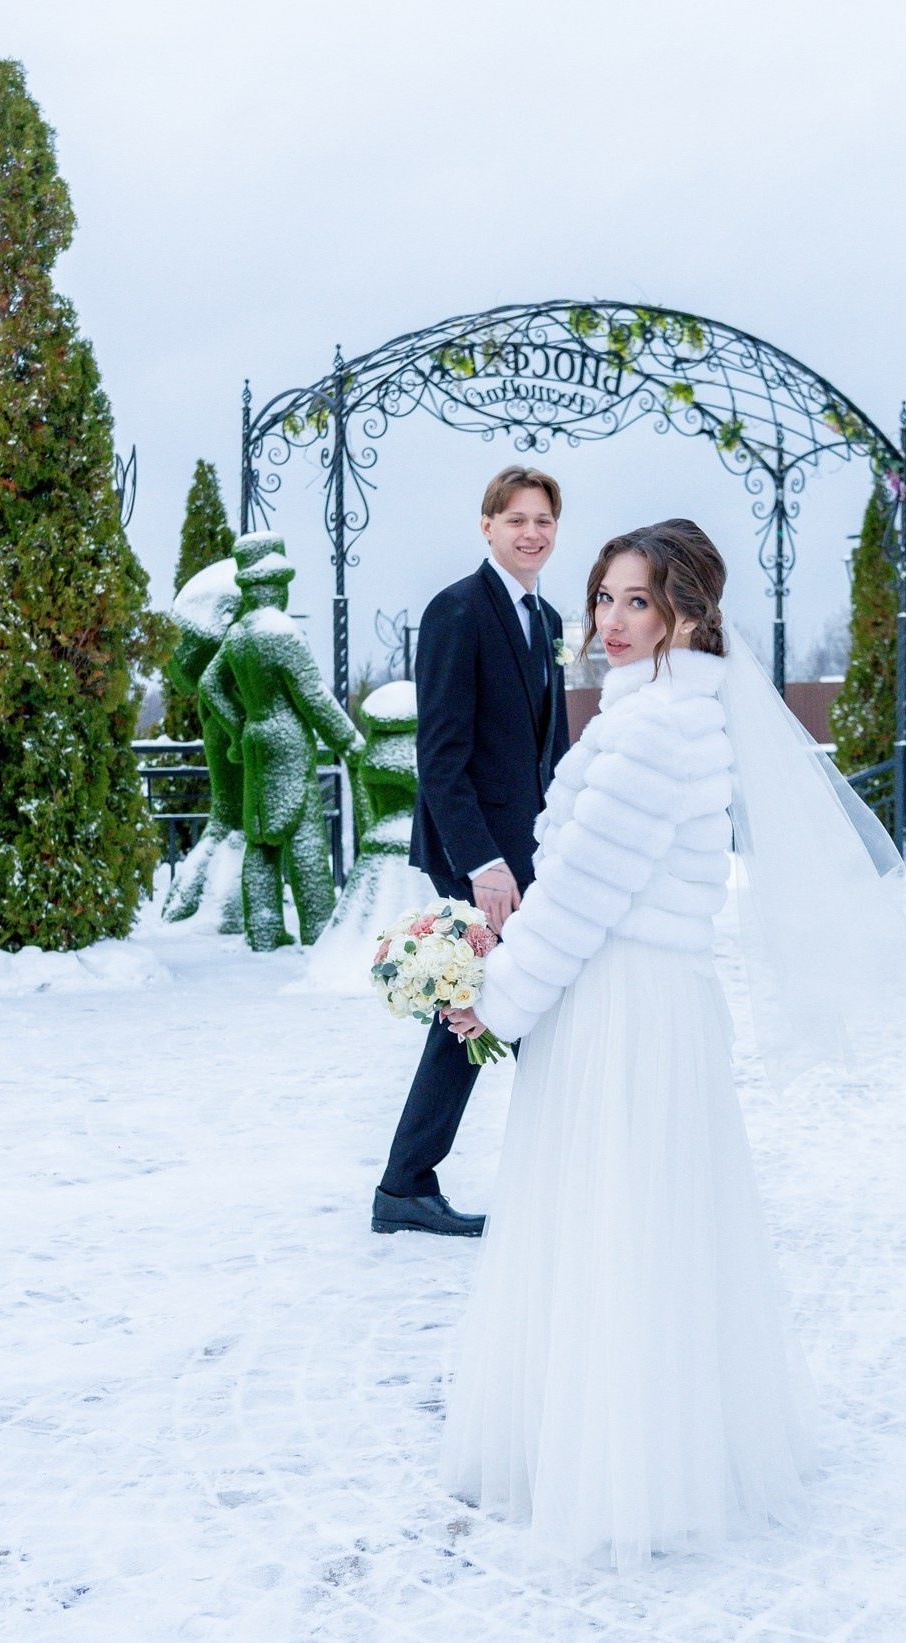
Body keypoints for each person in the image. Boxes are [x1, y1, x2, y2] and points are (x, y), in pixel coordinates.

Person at [436, 518, 906, 1570]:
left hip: (626, 1009)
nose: (609, 621)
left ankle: (628, 1471)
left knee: (618, 1228)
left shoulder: (654, 733)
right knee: (630, 1224)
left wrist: (496, 997)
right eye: (602, 597)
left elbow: (588, 897)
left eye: (636, 602)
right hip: (627, 998)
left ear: (687, 615)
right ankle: (635, 1445)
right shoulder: (651, 714)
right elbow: (578, 884)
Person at [372, 467, 572, 1238]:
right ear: (486, 526)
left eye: (544, 521)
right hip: (476, 853)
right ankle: (576, 1164)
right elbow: (441, 755)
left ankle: (407, 1182)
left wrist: (554, 842)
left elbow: (546, 752)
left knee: (478, 1010)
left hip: (526, 853)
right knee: (509, 1001)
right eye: (515, 518)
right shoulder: (456, 611)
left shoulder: (547, 617)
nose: (531, 533)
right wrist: (484, 862)